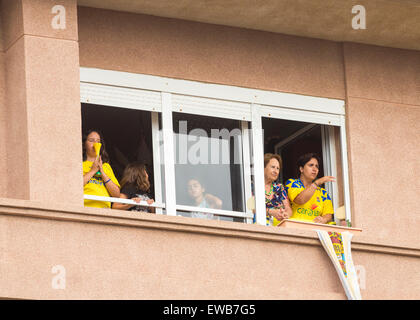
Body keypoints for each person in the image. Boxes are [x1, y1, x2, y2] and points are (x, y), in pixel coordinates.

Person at [284, 153, 335, 224]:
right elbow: (300, 200)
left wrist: (323, 219)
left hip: (315, 230)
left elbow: (328, 214)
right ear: (301, 169)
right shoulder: (292, 183)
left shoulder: (323, 192)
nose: (315, 169)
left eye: (316, 166)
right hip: (295, 227)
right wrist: (317, 183)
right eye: (311, 165)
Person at [83, 130, 120, 208]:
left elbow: (116, 194)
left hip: (104, 209)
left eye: (98, 141)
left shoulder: (106, 166)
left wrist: (103, 173)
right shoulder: (79, 163)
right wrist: (92, 171)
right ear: (84, 144)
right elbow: (73, 187)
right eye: (91, 140)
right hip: (85, 206)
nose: (95, 143)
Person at [264, 153, 292, 226]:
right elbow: (251, 209)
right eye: (273, 167)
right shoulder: (254, 186)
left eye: (278, 168)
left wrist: (286, 214)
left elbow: (288, 209)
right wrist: (270, 212)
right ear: (263, 167)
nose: (276, 171)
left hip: (279, 227)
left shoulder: (279, 187)